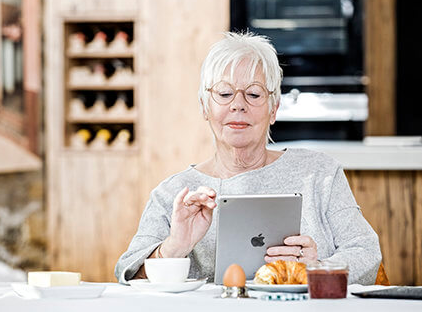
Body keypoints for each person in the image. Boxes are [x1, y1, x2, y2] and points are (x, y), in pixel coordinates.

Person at [115, 32, 381, 284]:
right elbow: (127, 274)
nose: (238, 104)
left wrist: (317, 269)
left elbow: (367, 253)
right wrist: (174, 247)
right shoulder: (173, 194)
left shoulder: (321, 173)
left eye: (253, 94)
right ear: (205, 107)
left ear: (273, 109)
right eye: (224, 93)